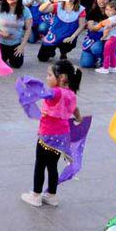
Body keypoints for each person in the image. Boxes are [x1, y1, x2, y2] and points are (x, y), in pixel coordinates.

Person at [21, 59, 83, 207]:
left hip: (47, 136)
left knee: (40, 164)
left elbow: (44, 93)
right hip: (61, 137)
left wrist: (29, 82)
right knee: (52, 166)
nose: (47, 78)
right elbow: (75, 109)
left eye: (49, 75)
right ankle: (52, 196)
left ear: (61, 78)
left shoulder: (55, 92)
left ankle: (36, 195)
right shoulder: (71, 93)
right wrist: (79, 119)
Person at [0, 0, 33, 69]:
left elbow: (28, 29)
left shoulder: (25, 10)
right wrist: (1, 33)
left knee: (17, 65)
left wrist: (22, 46)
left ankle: (9, 56)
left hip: (16, 44)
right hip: (0, 43)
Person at [92, 0, 116, 74]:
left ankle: (105, 68)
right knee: (112, 53)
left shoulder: (110, 19)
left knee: (106, 53)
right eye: (107, 9)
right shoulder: (115, 18)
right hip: (115, 38)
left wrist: (104, 37)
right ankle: (113, 67)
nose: (108, 12)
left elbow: (107, 28)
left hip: (110, 39)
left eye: (110, 10)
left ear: (115, 11)